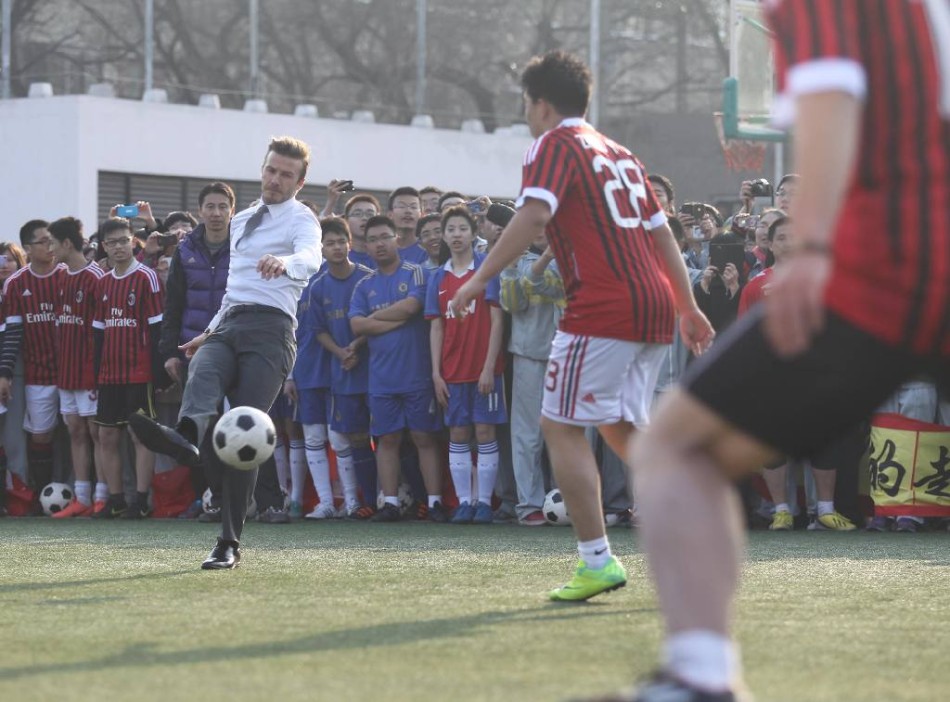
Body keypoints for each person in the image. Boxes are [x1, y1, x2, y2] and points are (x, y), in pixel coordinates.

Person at [625, 1, 950, 699]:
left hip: (897, 262)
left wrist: (811, 244)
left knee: (678, 449)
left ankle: (701, 677)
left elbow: (833, 93)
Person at [451, 51, 712, 600]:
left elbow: (534, 214)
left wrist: (480, 278)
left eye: (526, 104)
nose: (527, 115)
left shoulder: (554, 145)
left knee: (560, 427)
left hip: (602, 307)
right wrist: (687, 306)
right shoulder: (620, 153)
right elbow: (663, 234)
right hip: (654, 306)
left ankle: (597, 561)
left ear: (542, 105)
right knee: (620, 426)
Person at [129, 136, 321, 569]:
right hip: (230, 322)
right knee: (202, 370)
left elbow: (312, 259)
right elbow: (234, 290)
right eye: (271, 170)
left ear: (300, 181)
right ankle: (185, 439)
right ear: (263, 168)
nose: (275, 179)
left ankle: (228, 542)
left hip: (271, 331)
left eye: (286, 174)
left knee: (244, 429)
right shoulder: (244, 219)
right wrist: (209, 330)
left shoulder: (302, 219)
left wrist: (285, 263)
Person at [349, 215, 447, 523]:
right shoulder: (364, 285)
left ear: (397, 240)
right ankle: (389, 503)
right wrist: (394, 317)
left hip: (417, 374)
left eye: (384, 237)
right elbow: (355, 325)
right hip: (381, 379)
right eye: (373, 240)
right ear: (365, 247)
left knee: (424, 438)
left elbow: (413, 307)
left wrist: (375, 321)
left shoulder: (417, 273)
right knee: (387, 440)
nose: (379, 244)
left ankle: (434, 503)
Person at [159, 182, 235, 521]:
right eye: (210, 207)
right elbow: (173, 306)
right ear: (200, 211)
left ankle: (261, 501)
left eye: (223, 206)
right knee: (204, 427)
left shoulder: (245, 247)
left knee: (245, 424)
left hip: (239, 347)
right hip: (194, 352)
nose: (216, 213)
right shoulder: (184, 250)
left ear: (232, 210)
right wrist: (170, 352)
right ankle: (215, 498)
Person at [427, 206, 506, 524]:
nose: (456, 234)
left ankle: (484, 502)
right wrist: (436, 373)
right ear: (444, 236)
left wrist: (489, 366)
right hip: (451, 370)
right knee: (458, 433)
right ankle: (464, 502)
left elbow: (498, 319)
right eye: (451, 229)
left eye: (462, 228)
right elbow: (436, 326)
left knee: (485, 431)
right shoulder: (438, 277)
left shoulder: (488, 269)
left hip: (484, 369)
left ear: (473, 233)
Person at [90, 217, 165, 519]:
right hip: (110, 374)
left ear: (135, 241)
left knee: (140, 437)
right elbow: (98, 331)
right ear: (104, 246)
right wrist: (96, 372)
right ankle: (116, 498)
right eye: (112, 242)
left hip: (139, 373)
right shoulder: (102, 282)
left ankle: (141, 500)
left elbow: (158, 328)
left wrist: (158, 373)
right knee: (107, 437)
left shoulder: (147, 277)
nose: (119, 246)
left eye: (124, 240)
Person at [310, 217, 375, 517]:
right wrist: (340, 352)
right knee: (355, 436)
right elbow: (318, 329)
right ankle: (364, 503)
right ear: (321, 249)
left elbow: (378, 318)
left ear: (350, 243)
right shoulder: (318, 287)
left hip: (374, 368)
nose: (336, 248)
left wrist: (357, 345)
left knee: (387, 437)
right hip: (343, 371)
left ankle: (393, 498)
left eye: (340, 241)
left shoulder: (367, 277)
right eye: (330, 243)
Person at [0, 219, 65, 511]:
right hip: (38, 374)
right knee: (42, 436)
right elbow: (12, 333)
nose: (50, 247)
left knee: (82, 433)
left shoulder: (68, 274)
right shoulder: (16, 283)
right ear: (28, 248)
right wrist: (5, 373)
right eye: (43, 242)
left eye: (52, 241)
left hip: (76, 373)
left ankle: (81, 491)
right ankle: (41, 494)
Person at [46, 217, 108, 518]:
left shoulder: (96, 276)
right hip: (66, 370)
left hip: (90, 371)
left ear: (67, 243)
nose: (49, 249)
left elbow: (104, 330)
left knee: (98, 433)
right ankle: (81, 497)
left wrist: (98, 369)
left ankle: (103, 496)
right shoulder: (59, 275)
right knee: (75, 431)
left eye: (52, 243)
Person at [387, 187, 428, 264]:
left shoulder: (427, 251)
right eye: (402, 206)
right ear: (390, 214)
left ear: (422, 215)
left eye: (413, 207)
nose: (408, 211)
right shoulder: (382, 250)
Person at [344, 194, 380, 270]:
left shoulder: (385, 257)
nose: (364, 218)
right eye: (357, 214)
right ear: (346, 220)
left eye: (370, 214)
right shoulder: (339, 255)